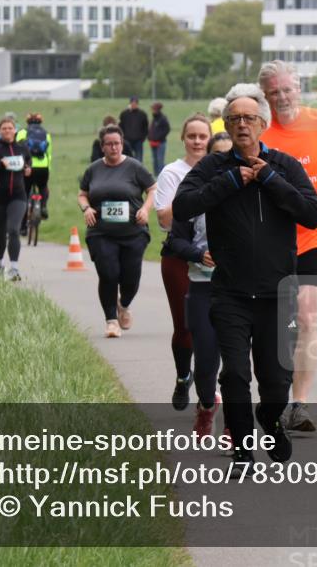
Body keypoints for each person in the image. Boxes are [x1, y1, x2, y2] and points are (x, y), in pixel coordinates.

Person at [173, 83, 317, 469]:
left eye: (249, 118)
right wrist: (230, 182)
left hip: (277, 293)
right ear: (226, 124)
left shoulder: (285, 166)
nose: (241, 125)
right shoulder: (213, 168)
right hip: (231, 292)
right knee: (235, 375)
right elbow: (183, 206)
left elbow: (311, 214)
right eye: (234, 118)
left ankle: (270, 420)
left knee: (276, 379)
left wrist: (269, 179)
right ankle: (242, 450)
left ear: (262, 124)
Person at [258, 60, 317, 433]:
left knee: (308, 318)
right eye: (273, 92)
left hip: (313, 236)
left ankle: (300, 404)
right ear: (265, 96)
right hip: (271, 242)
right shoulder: (261, 131)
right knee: (281, 324)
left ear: (298, 88)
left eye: (286, 89)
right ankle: (276, 396)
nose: (281, 97)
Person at [166, 131, 233, 441]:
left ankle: (234, 426)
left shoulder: (251, 193)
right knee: (205, 363)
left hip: (239, 289)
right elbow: (175, 241)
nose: (226, 163)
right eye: (218, 156)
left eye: (231, 156)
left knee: (236, 364)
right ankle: (207, 404)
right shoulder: (193, 196)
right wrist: (198, 254)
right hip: (203, 286)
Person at [154, 113, 211, 410]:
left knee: (211, 328)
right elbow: (164, 219)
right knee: (185, 325)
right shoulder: (172, 173)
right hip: (178, 256)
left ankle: (206, 388)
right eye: (192, 136)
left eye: (203, 136)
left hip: (213, 258)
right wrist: (195, 194)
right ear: (183, 139)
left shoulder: (218, 169)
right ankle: (182, 376)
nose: (197, 142)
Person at [78, 124, 157, 338]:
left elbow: (152, 189)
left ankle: (124, 304)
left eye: (117, 143)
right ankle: (111, 321)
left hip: (133, 232)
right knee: (108, 274)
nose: (114, 148)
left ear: (122, 144)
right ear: (102, 146)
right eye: (109, 144)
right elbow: (82, 194)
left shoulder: (134, 167)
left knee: (131, 278)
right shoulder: (93, 169)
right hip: (101, 232)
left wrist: (145, 209)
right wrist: (86, 208)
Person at [0, 117, 32, 281]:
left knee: (14, 230)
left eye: (10, 128)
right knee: (1, 233)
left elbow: (28, 162)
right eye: (4, 128)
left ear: (15, 130)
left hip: (18, 196)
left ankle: (14, 268)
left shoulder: (22, 148)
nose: (7, 131)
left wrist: (28, 169)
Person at [16, 112, 52, 220]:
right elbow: (49, 154)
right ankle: (43, 207)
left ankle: (23, 219)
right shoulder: (46, 134)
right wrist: (48, 168)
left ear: (27, 122)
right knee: (43, 186)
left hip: (27, 167)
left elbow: (17, 150)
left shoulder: (22, 132)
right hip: (43, 166)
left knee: (25, 191)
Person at [119, 96, 150, 164]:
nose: (134, 105)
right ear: (130, 103)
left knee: (139, 159)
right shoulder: (124, 114)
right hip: (127, 140)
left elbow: (146, 127)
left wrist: (142, 138)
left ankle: (138, 170)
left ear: (137, 104)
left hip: (138, 141)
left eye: (135, 103)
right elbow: (120, 126)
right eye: (132, 103)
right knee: (126, 158)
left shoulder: (142, 114)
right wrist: (122, 137)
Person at [148, 102, 171, 176]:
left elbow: (167, 129)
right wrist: (149, 137)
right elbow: (151, 129)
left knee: (160, 160)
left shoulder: (163, 118)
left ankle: (162, 175)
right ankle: (156, 175)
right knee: (154, 160)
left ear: (158, 109)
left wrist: (159, 138)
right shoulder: (154, 118)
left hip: (161, 143)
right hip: (153, 142)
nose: (152, 110)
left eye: (153, 109)